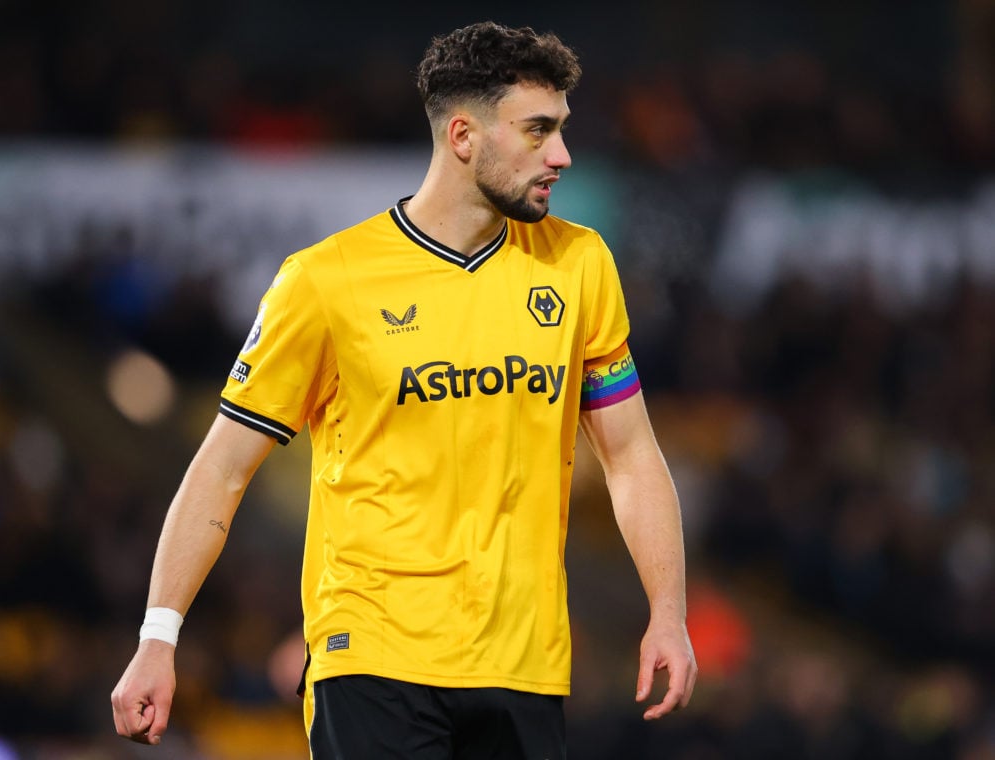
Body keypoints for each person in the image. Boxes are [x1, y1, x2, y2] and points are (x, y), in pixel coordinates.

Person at [111, 20, 696, 758]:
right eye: (538, 131)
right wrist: (158, 637)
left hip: (525, 664)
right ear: (462, 136)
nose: (561, 155)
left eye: (562, 129)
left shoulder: (580, 266)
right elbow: (223, 467)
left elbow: (632, 456)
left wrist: (668, 612)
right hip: (374, 659)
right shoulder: (326, 282)